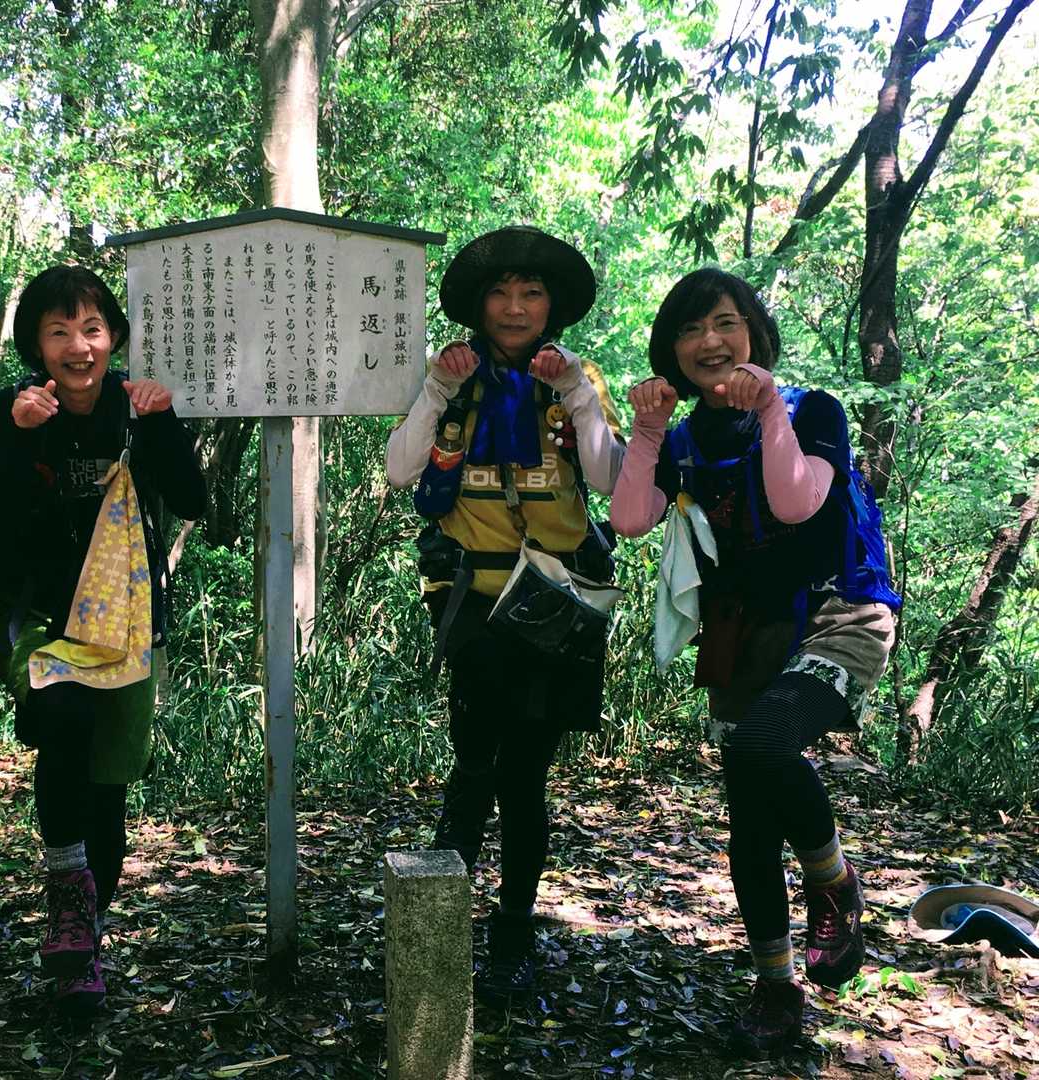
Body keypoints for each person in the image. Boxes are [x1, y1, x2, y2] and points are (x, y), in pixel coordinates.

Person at [610, 267, 899, 1058]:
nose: (709, 341)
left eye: (725, 323)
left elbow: (798, 501)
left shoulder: (813, 410)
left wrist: (769, 408)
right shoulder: (684, 439)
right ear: (671, 350)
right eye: (690, 329)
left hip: (841, 614)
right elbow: (631, 519)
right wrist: (645, 433)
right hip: (748, 634)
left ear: (755, 334)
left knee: (760, 745)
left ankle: (834, 880)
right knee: (750, 820)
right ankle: (776, 986)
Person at [385, 226, 626, 1003]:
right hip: (473, 604)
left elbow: (611, 481)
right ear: (479, 306)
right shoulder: (455, 379)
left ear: (551, 307)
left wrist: (577, 392)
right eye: (500, 293)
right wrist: (435, 389)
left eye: (531, 293)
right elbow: (400, 471)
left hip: (555, 607)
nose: (515, 307)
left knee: (524, 776)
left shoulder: (577, 381)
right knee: (472, 765)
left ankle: (513, 935)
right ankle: (438, 932)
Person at [0, 264, 206, 1013]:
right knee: (64, 717)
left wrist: (164, 423)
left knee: (107, 791)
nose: (78, 347)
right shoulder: (13, 410)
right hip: (43, 619)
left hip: (129, 624)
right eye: (59, 332)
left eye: (92, 329)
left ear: (113, 337)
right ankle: (68, 906)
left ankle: (84, 944)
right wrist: (17, 439)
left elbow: (194, 500)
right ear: (36, 346)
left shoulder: (134, 408)